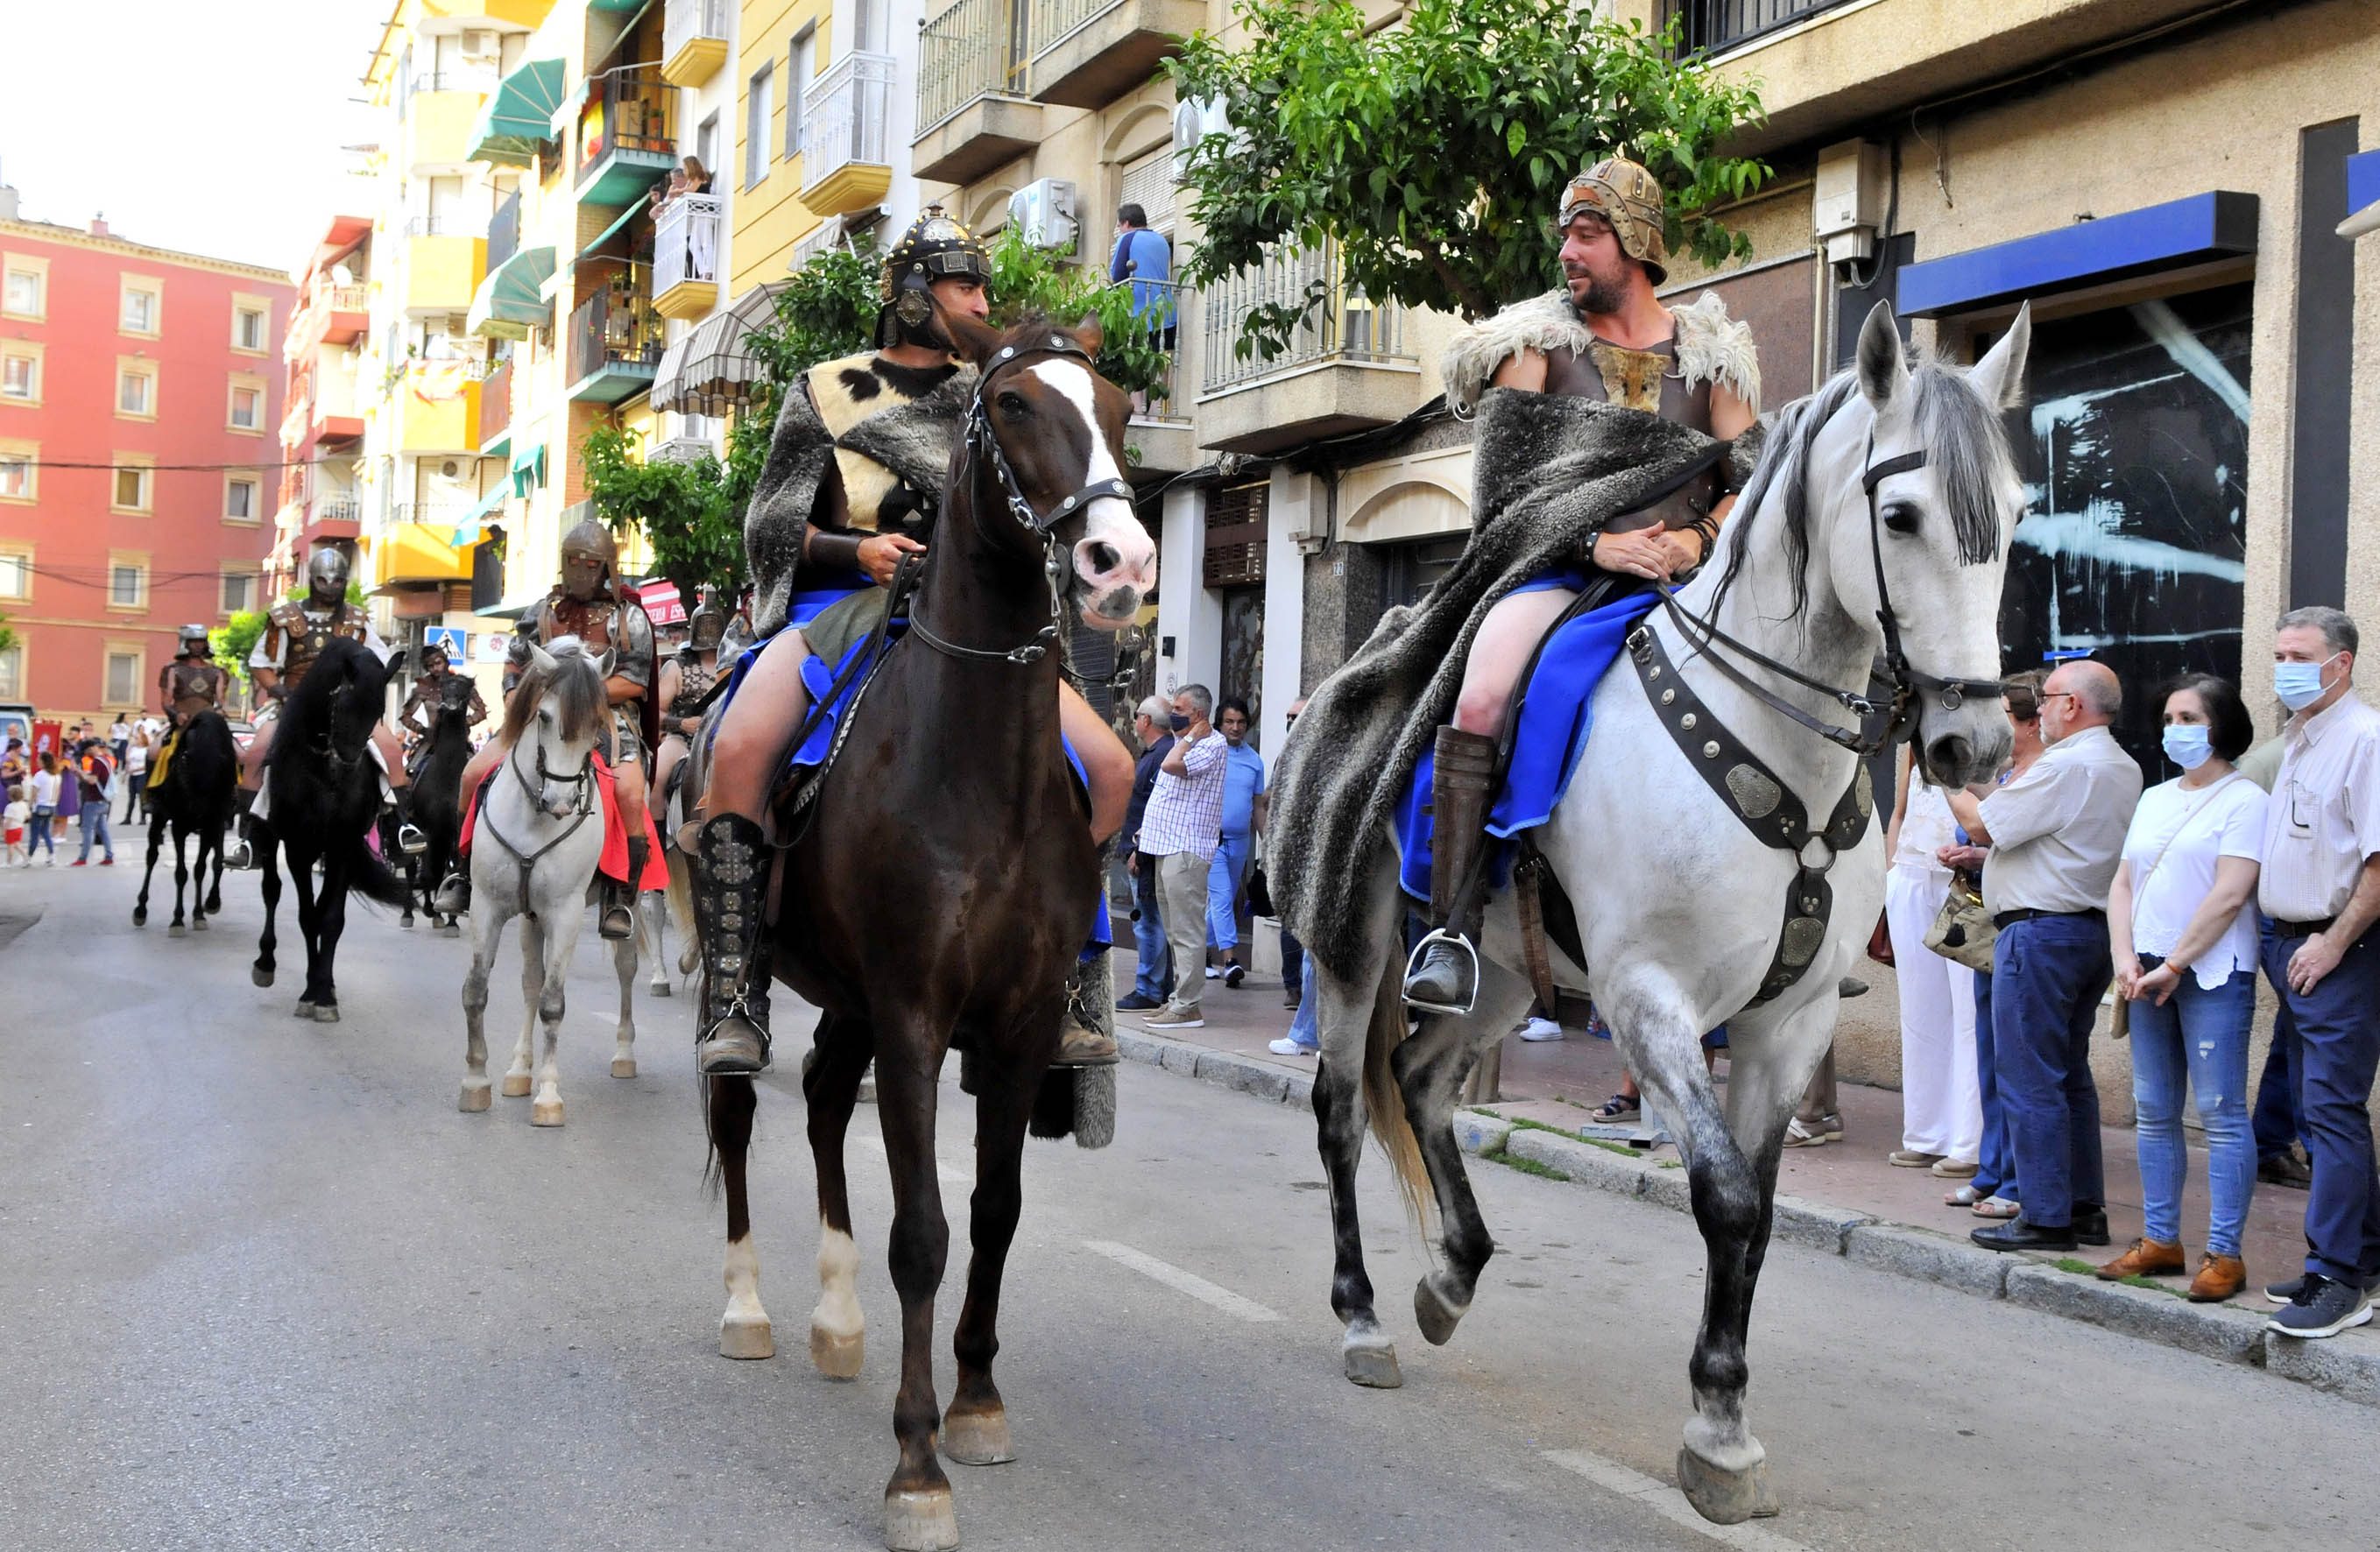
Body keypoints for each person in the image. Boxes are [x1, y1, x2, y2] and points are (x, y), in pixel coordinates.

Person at [692, 207, 1135, 1076]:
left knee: (1113, 769)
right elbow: (771, 522)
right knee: (739, 750)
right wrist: (851, 546)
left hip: (970, 625)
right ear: (907, 294)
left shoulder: (1001, 391)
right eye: (958, 282)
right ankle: (735, 992)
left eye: (979, 285)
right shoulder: (825, 386)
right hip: (845, 606)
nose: (976, 297)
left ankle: (1069, 972)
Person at [1402, 153, 1759, 1010]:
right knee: (1484, 696)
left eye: (1587, 232)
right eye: (1565, 230)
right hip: (1557, 574)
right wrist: (1597, 542)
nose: (1567, 247)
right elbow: (1499, 499)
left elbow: (1751, 476)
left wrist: (1692, 539)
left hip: (1691, 582)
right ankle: (1449, 931)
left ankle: (1797, 916)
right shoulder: (1532, 351)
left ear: (1634, 242)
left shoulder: (1709, 356)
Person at [1958, 660, 2142, 1253]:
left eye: (2048, 697)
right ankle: (2081, 1206)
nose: (2037, 709)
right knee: (2068, 1077)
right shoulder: (2120, 764)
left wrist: (1946, 773)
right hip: (2085, 931)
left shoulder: (2066, 763)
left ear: (2073, 706)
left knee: (2028, 1076)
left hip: (2039, 935)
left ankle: (2043, 1215)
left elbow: (1984, 826)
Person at [2099, 674, 2266, 1301]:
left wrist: (2175, 963)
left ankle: (2224, 1254)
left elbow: (2230, 892)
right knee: (2152, 1111)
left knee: (2221, 1115)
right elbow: (2122, 883)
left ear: (2220, 726)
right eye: (2168, 718)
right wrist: (2124, 956)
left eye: (2190, 718)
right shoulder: (2155, 796)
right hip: (2144, 972)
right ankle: (2159, 1240)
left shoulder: (2244, 800)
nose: (2175, 731)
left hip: (2210, 973)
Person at [433, 520, 657, 942]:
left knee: (628, 793)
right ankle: (460, 875)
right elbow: (515, 664)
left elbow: (636, 681)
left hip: (605, 720)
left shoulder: (629, 618)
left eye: (590, 563)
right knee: (469, 776)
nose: (580, 569)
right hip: (541, 715)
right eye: (573, 561)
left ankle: (618, 899)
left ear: (606, 566)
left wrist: (579, 693)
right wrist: (516, 697)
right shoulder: (542, 610)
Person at [2256, 607, 2380, 1337]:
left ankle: (2335, 1278)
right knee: (2313, 1109)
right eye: (2276, 654)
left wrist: (2331, 944)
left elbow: (2376, 862)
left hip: (2338, 952)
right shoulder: (2301, 740)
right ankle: (2354, 1260)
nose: (2284, 668)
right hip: (2290, 947)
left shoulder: (2363, 740)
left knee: (2330, 1112)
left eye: (2298, 655)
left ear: (2342, 663)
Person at [1939, 670, 2048, 1218]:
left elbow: (1980, 825)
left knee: (2013, 1058)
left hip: (2022, 924)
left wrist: (1950, 779)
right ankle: (1991, 1168)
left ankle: (2011, 1174)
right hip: (1988, 919)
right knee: (1989, 1049)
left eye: (2004, 714)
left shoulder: (2041, 774)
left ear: (2030, 721)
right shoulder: (2011, 773)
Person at [237, 546, 414, 863]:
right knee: (258, 751)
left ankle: (397, 826)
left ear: (345, 582)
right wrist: (280, 691)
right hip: (293, 704)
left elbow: (380, 659)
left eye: (337, 582)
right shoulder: (284, 619)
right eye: (323, 581)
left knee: (390, 749)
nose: (331, 588)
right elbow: (261, 663)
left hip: (346, 705)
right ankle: (252, 836)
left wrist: (362, 689)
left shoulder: (357, 621)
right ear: (312, 580)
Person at [1880, 747, 1983, 1172]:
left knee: (1968, 1014)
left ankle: (1969, 1143)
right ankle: (1925, 1132)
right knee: (1919, 1011)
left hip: (1962, 880)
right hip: (1910, 872)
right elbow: (1899, 811)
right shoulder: (1913, 741)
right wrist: (1888, 877)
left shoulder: (1989, 731)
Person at [1138, 685, 1228, 1030]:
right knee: (1174, 928)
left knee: (1188, 930)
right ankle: (1178, 998)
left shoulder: (1211, 745)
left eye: (1179, 708)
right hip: (1165, 846)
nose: (1172, 713)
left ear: (1199, 716)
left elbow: (1172, 765)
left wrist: (1191, 739)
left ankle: (1189, 1005)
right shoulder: (1181, 740)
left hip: (1186, 850)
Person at [649, 591, 726, 832]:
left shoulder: (735, 662)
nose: (709, 631)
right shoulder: (676, 666)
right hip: (681, 741)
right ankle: (656, 849)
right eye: (705, 626)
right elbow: (656, 713)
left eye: (714, 626)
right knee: (657, 780)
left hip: (724, 740)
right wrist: (682, 724)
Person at [1119, 695, 1176, 1012]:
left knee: (1148, 922)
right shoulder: (1159, 753)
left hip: (1145, 853)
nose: (1135, 719)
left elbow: (1156, 811)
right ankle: (1159, 986)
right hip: (1145, 850)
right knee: (1153, 921)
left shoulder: (1160, 756)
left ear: (1146, 722)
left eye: (1138, 714)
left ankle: (1149, 989)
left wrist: (1139, 852)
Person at [1205, 697, 1265, 987]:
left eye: (1241, 722)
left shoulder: (1254, 760)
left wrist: (1269, 844)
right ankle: (1230, 960)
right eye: (1229, 721)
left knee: (1223, 900)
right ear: (1220, 723)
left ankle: (1199, 952)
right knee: (1221, 895)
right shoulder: (1210, 752)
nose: (1235, 727)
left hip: (1240, 840)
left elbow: (1258, 806)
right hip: (1211, 839)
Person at [151, 624, 231, 797]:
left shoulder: (217, 671)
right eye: (193, 641)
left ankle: (233, 792)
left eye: (201, 641)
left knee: (234, 752)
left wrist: (219, 711)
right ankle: (153, 794)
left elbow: (220, 700)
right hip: (182, 720)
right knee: (154, 752)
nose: (198, 645)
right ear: (185, 643)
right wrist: (175, 715)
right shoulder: (172, 669)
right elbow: (166, 701)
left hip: (209, 720)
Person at [397, 640, 488, 751]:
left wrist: (463, 723)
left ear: (445, 662)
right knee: (413, 767)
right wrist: (424, 730)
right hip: (433, 742)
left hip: (460, 741)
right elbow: (406, 716)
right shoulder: (424, 686)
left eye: (438, 663)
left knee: (477, 767)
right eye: (431, 666)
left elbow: (481, 711)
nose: (435, 668)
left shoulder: (461, 684)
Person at [27, 752, 60, 864]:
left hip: (39, 807)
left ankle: (29, 857)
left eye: (39, 760)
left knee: (34, 834)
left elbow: (34, 793)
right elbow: (58, 792)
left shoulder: (40, 775)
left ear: (44, 762)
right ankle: (52, 855)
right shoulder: (57, 775)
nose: (37, 761)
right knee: (45, 832)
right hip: (51, 806)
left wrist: (29, 806)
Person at [122, 728, 149, 824]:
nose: (136, 740)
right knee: (131, 797)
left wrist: (136, 769)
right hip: (132, 774)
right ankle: (128, 818)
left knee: (141, 797)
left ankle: (143, 818)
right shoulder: (133, 749)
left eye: (137, 738)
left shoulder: (146, 750)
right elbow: (128, 760)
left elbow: (147, 765)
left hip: (141, 774)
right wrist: (125, 774)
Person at [3, 784, 25, 866]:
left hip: (11, 828)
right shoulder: (23, 805)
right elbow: (27, 815)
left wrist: (4, 830)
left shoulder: (10, 807)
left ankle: (8, 862)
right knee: (17, 844)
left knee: (10, 846)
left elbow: (8, 820)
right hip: (20, 827)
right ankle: (26, 856)